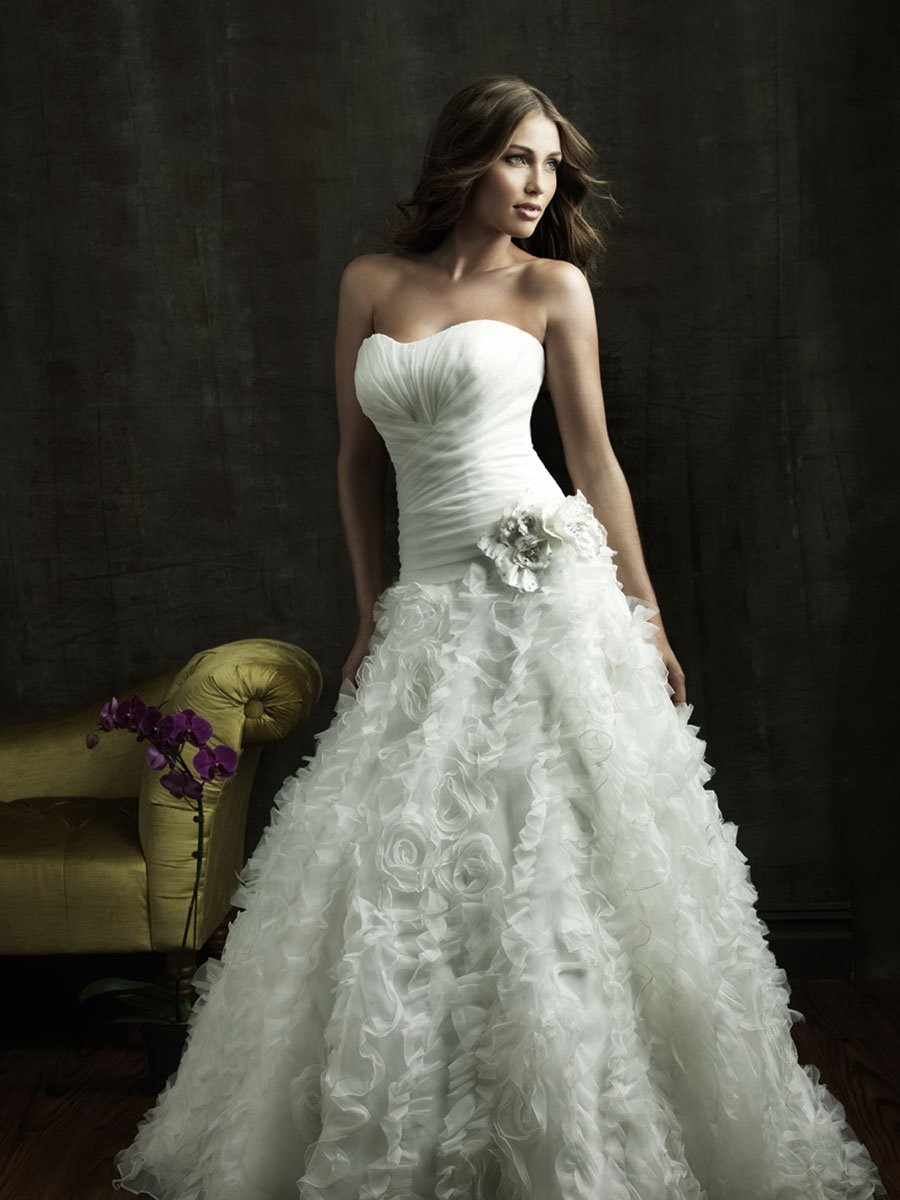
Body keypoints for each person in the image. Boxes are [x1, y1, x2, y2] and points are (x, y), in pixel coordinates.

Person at [113, 75, 886, 1199]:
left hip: (543, 591)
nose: (539, 184)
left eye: (552, 165)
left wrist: (645, 614)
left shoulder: (553, 287)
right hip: (427, 602)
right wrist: (371, 610)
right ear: (464, 159)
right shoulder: (369, 282)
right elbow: (355, 461)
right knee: (407, 862)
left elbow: (595, 462)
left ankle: (569, 1126)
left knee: (549, 852)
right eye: (519, 158)